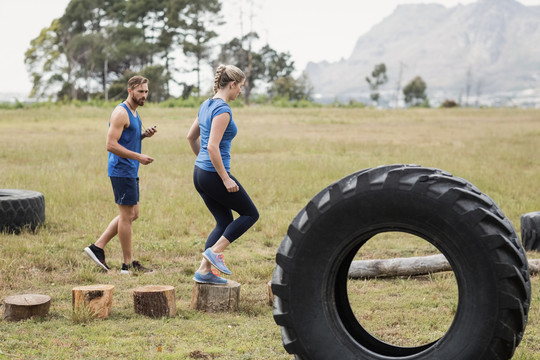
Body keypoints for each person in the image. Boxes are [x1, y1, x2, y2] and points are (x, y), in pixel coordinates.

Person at [187, 65, 259, 285]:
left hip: (200, 173)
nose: (240, 92)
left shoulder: (205, 105)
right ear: (232, 84)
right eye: (240, 88)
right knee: (250, 214)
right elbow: (212, 147)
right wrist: (225, 178)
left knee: (224, 221)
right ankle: (216, 251)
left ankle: (203, 271)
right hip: (213, 174)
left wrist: (204, 165)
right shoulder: (222, 110)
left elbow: (190, 137)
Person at [84, 75, 157, 274]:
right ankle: (127, 265)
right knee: (126, 216)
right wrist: (139, 156)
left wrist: (143, 135)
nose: (144, 95)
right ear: (130, 91)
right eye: (140, 91)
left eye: (146, 91)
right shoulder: (120, 112)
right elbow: (111, 144)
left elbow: (127, 137)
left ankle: (97, 247)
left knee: (133, 214)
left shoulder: (134, 112)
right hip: (121, 170)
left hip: (130, 169)